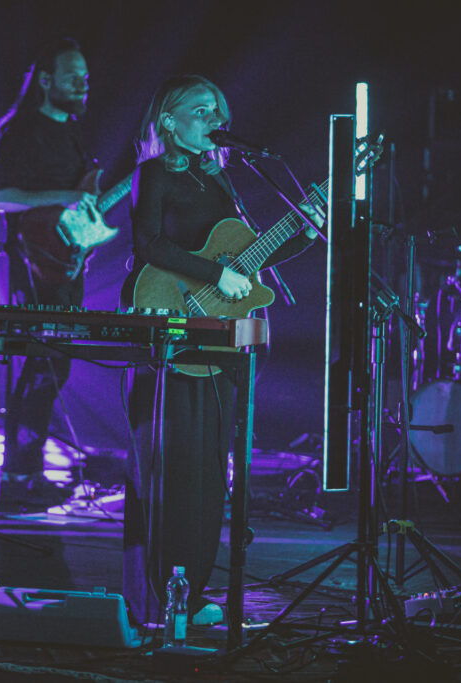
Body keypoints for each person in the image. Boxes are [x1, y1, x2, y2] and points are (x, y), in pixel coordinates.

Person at [121, 75, 318, 627]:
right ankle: (161, 593)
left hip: (218, 343)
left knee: (212, 471)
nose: (214, 120)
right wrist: (214, 273)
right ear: (169, 120)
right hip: (169, 323)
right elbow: (149, 245)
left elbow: (250, 259)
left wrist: (305, 232)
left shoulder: (222, 184)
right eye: (201, 111)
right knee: (173, 470)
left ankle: (196, 589)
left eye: (217, 111)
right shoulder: (152, 173)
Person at [0, 38, 96, 512]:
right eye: (73, 75)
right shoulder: (24, 131)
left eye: (86, 76)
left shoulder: (71, 134)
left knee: (56, 366)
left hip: (65, 267)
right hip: (31, 270)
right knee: (41, 367)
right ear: (46, 81)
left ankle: (27, 475)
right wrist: (58, 199)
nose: (83, 83)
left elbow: (74, 204)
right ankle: (19, 478)